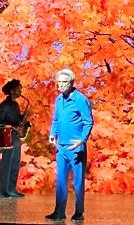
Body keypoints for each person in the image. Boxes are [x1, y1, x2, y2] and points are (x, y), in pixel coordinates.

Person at [45, 68, 93, 222]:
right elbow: (56, 120)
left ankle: (79, 212)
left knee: (77, 181)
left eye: (64, 83)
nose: (60, 86)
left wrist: (82, 140)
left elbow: (88, 121)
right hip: (61, 147)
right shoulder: (59, 100)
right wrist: (53, 134)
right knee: (60, 180)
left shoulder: (80, 99)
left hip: (76, 147)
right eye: (59, 83)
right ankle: (59, 212)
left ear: (72, 83)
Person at [0, 79, 25, 198]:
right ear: (12, 91)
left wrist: (24, 121)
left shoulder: (15, 104)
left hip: (16, 137)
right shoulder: (5, 105)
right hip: (7, 136)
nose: (20, 91)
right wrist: (12, 126)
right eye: (18, 89)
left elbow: (17, 121)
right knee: (7, 163)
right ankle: (4, 191)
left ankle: (12, 189)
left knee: (15, 163)